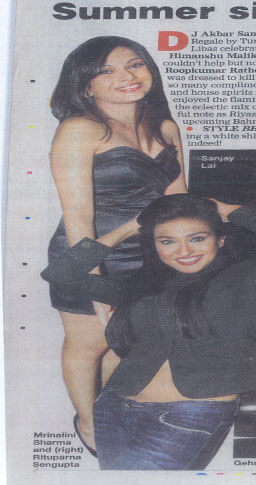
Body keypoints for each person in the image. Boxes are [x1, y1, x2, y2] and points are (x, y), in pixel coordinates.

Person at [41, 194, 256, 469]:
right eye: (167, 241)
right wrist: (128, 228)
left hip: (188, 417)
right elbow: (61, 274)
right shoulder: (144, 284)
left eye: (197, 238)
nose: (183, 250)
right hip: (114, 409)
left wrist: (227, 210)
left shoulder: (251, 281)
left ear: (220, 240)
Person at [47, 36, 187, 453]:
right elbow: (78, 217)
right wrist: (96, 283)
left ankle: (107, 409)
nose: (126, 76)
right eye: (106, 70)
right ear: (85, 85)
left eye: (135, 64)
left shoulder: (165, 127)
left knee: (122, 340)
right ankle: (89, 423)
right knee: (88, 344)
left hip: (146, 256)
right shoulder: (80, 129)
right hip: (88, 254)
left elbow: (178, 204)